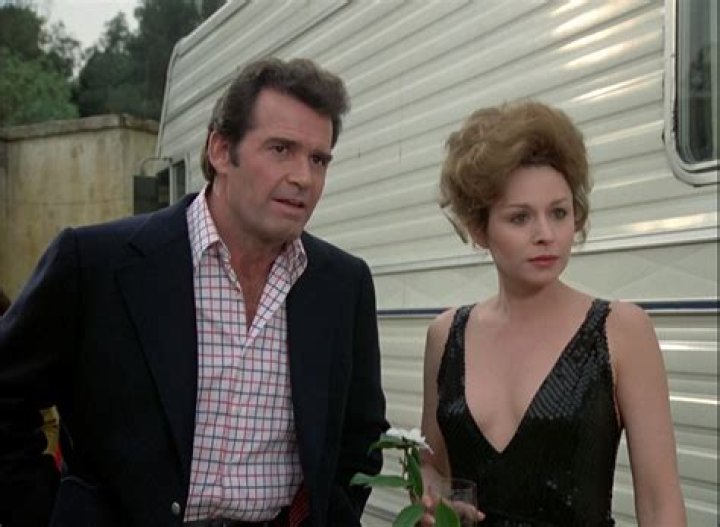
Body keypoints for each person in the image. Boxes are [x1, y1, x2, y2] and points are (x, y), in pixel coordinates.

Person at [0, 57, 388, 527]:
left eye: (318, 159)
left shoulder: (342, 285)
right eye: (281, 149)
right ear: (221, 150)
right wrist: (43, 514)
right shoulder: (97, 263)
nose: (303, 177)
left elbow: (359, 439)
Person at [419, 101, 686, 526]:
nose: (546, 234)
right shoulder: (446, 335)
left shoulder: (620, 331)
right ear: (479, 228)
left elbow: (660, 506)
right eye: (520, 217)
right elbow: (433, 467)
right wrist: (432, 502)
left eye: (559, 212)